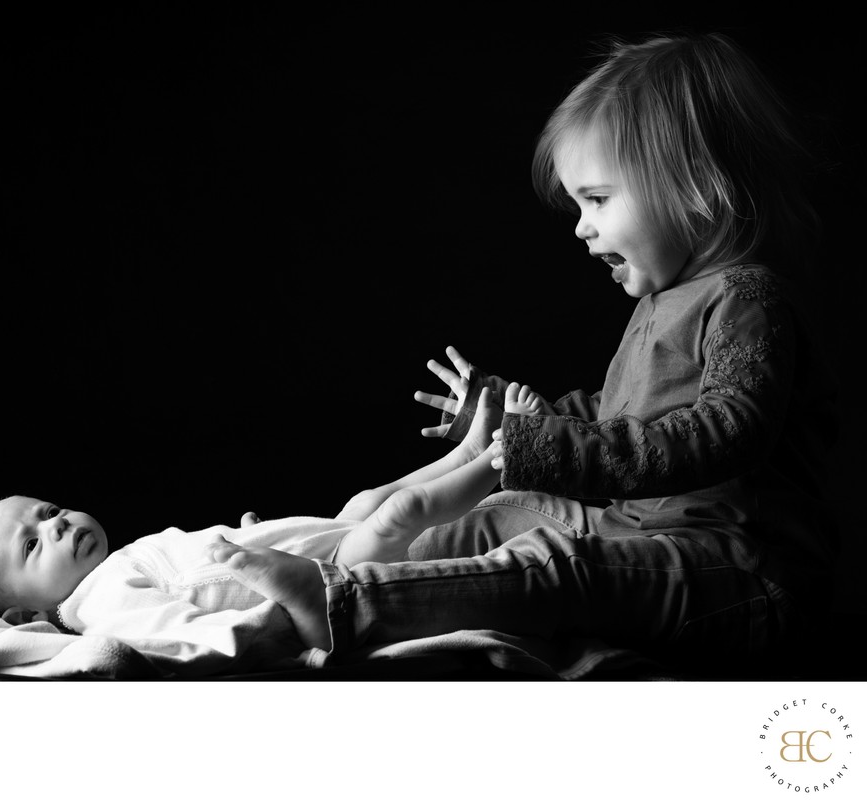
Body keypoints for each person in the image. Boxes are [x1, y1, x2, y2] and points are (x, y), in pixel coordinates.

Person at [204, 33, 839, 675]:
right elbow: (617, 411)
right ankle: (328, 574)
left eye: (597, 199)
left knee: (558, 568)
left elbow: (727, 431)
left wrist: (555, 451)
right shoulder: (663, 302)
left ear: (696, 184)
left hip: (740, 572)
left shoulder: (746, 299)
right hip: (639, 531)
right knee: (492, 515)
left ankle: (347, 608)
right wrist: (507, 421)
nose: (581, 227)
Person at [0, 387, 525, 635]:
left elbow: (190, 573)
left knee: (367, 502)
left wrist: (239, 543)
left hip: (298, 541)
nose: (57, 524)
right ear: (27, 615)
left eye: (47, 511)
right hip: (321, 577)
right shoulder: (99, 604)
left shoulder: (109, 568)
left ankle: (470, 451)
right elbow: (186, 634)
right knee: (398, 514)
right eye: (32, 545)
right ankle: (500, 458)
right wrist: (255, 605)